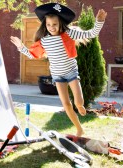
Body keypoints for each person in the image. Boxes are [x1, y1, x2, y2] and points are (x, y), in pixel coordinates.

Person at [10, 3, 107, 136]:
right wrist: (21, 46)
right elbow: (32, 55)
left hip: (71, 72)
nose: (51, 28)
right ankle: (79, 128)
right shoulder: (44, 40)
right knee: (66, 104)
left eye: (54, 24)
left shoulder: (69, 33)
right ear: (45, 25)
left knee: (78, 102)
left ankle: (79, 106)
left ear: (60, 23)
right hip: (57, 76)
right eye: (48, 25)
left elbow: (91, 33)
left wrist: (99, 21)